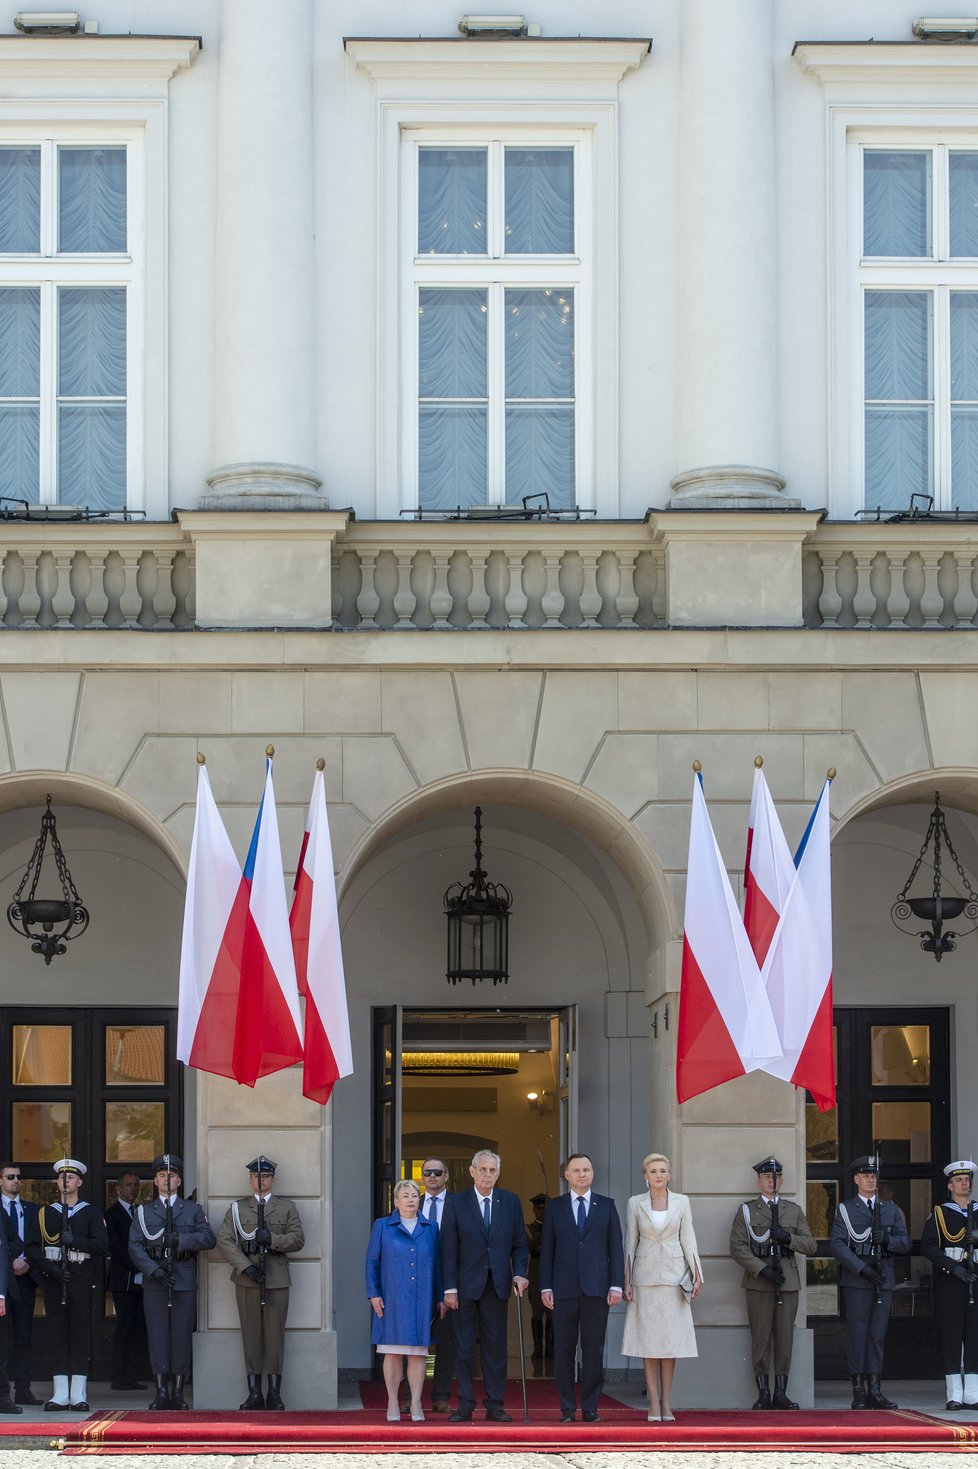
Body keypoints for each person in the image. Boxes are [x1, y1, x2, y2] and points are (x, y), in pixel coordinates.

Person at [440, 1148, 529, 1424]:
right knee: (465, 1347)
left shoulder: (510, 1201)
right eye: (483, 1170)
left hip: (497, 1284)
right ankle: (465, 1405)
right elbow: (448, 1248)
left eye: (492, 1170)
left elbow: (519, 1244)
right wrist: (449, 1288)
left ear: (498, 1173)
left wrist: (521, 1273)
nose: (488, 1175)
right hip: (464, 1287)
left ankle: (495, 1405)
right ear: (472, 1171)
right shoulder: (456, 1203)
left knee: (495, 1348)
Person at [539, 1152, 624, 1424]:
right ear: (567, 1175)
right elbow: (547, 1250)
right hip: (563, 1289)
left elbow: (615, 1248)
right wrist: (545, 1287)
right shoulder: (555, 1207)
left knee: (593, 1350)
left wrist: (616, 1285)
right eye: (576, 1170)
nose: (582, 1174)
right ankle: (566, 1408)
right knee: (563, 1350)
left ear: (593, 1173)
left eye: (586, 1169)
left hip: (596, 1289)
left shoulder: (606, 1205)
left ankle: (590, 1407)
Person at [216, 1155, 305, 1411]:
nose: (260, 1180)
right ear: (250, 1180)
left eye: (265, 1176)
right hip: (247, 1279)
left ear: (273, 1180)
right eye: (256, 1176)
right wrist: (245, 1267)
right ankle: (254, 1392)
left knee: (275, 1337)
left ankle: (274, 1393)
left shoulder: (286, 1207)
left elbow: (298, 1239)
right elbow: (225, 1240)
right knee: (251, 1335)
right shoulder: (237, 1208)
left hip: (276, 1278)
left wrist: (272, 1239)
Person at [729, 1155, 818, 1410]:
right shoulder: (747, 1210)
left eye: (776, 1177)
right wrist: (761, 1270)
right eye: (768, 1177)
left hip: (787, 1281)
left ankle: (781, 1393)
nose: (773, 1181)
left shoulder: (793, 1210)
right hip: (759, 1282)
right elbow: (737, 1246)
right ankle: (763, 1393)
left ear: (782, 1180)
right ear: (759, 1181)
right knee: (760, 1337)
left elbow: (810, 1245)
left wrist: (787, 1238)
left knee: (784, 1338)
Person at [128, 1153, 216, 1411]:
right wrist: (154, 1271)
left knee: (180, 1335)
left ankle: (178, 1391)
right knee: (157, 1336)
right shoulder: (143, 1211)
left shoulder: (193, 1210)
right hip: (156, 1280)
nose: (168, 1180)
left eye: (173, 1175)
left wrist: (181, 1240)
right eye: (163, 1175)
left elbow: (209, 1239)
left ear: (179, 1180)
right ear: (155, 1181)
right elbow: (134, 1246)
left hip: (183, 1277)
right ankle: (161, 1391)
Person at [622, 1151, 703, 1422]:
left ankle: (667, 1403)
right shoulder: (635, 1203)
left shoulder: (682, 1202)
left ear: (669, 1175)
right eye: (653, 1171)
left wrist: (697, 1274)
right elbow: (630, 1244)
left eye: (663, 1171)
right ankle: (653, 1403)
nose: (658, 1175)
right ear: (646, 1176)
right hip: (644, 1279)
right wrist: (627, 1280)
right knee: (649, 1343)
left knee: (670, 1344)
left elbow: (688, 1238)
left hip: (674, 1277)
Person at [24, 1157, 108, 1412]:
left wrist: (77, 1241)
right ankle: (60, 1393)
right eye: (62, 1177)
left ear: (79, 1181)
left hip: (80, 1278)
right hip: (54, 1279)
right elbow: (32, 1247)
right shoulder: (46, 1213)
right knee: (57, 1334)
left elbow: (103, 1246)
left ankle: (78, 1393)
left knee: (79, 1334)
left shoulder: (91, 1212)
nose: (65, 1181)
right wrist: (50, 1270)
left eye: (70, 1177)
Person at [829, 1152, 911, 1410]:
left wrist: (887, 1241)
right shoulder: (845, 1209)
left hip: (883, 1278)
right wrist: (862, 1269)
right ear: (856, 1179)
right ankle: (858, 1390)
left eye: (873, 1176)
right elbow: (838, 1245)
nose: (871, 1180)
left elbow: (905, 1243)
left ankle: (875, 1388)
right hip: (858, 1279)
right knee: (857, 1334)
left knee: (876, 1335)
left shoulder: (890, 1209)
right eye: (866, 1176)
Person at [365, 1178, 443, 1422]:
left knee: (418, 1352)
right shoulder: (382, 1226)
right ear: (396, 1201)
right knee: (392, 1352)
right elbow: (372, 1262)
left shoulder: (430, 1228)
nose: (411, 1199)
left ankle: (417, 1403)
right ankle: (392, 1402)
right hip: (392, 1297)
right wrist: (373, 1293)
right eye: (406, 1196)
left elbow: (438, 1265)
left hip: (422, 1298)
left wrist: (440, 1296)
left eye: (414, 1195)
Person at [920, 1159, 978, 1409]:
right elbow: (929, 1245)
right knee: (952, 1335)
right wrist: (952, 1267)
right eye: (959, 1180)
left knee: (975, 1336)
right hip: (951, 1280)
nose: (964, 1184)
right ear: (950, 1185)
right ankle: (954, 1393)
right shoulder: (940, 1213)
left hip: (975, 1277)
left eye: (967, 1180)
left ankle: (973, 1393)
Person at [105, 1172, 148, 1392]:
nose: (133, 1188)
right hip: (124, 1280)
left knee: (138, 1327)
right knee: (124, 1327)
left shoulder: (141, 1212)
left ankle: (132, 1374)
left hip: (143, 1281)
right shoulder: (111, 1214)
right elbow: (115, 1249)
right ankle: (118, 1376)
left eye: (136, 1185)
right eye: (129, 1185)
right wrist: (141, 1264)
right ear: (118, 1188)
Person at [0, 1161, 39, 1405]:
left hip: (26, 1279)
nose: (16, 1181)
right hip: (3, 1282)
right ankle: (4, 1394)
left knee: (24, 1337)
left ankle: (23, 1389)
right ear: (1, 1181)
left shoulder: (32, 1209)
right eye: (10, 1176)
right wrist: (12, 1260)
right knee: (4, 1339)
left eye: (18, 1177)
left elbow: (36, 1242)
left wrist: (25, 1261)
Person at [419, 1157, 454, 1412]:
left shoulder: (459, 1205)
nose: (432, 1176)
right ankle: (411, 1396)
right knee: (414, 1342)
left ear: (446, 1176)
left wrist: (450, 1288)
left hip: (450, 1283)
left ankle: (440, 1396)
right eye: (427, 1172)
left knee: (446, 1342)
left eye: (437, 1172)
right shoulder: (410, 1203)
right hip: (417, 1284)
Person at [526, 1191, 553, 1363]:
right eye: (539, 1208)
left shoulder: (555, 1226)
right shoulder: (528, 1228)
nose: (541, 1211)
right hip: (536, 1274)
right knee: (537, 1311)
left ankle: (551, 1349)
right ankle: (538, 1348)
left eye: (545, 1208)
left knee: (552, 1315)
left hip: (553, 1274)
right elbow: (531, 1246)